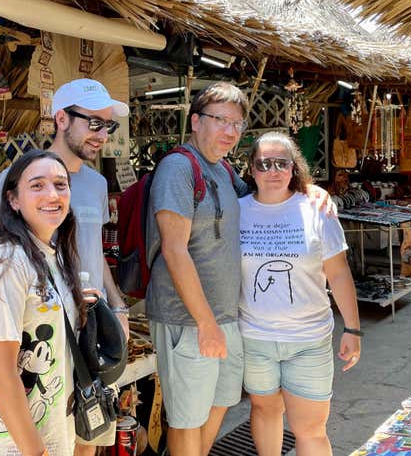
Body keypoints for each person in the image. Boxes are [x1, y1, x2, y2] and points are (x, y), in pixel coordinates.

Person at [0, 78, 129, 455]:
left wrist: (114, 306)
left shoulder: (98, 184)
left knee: (81, 436)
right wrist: (3, 336)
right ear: (62, 119)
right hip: (36, 347)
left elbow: (91, 254)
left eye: (109, 126)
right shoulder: (16, 181)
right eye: (95, 123)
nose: (103, 135)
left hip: (82, 337)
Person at [0, 149, 86, 456]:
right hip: (4, 445)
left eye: (60, 185)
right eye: (37, 185)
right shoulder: (4, 263)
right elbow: (0, 373)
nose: (52, 194)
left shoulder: (53, 254)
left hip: (45, 432)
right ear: (13, 200)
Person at [144, 82, 252, 456]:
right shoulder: (178, 167)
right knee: (187, 420)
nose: (230, 131)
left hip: (225, 316)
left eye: (237, 124)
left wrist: (309, 191)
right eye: (220, 120)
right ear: (195, 121)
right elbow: (174, 249)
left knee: (219, 403)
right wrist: (205, 322)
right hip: (188, 319)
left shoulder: (222, 169)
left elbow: (261, 197)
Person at [239, 131, 361, 456]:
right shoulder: (236, 212)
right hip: (254, 338)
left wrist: (352, 327)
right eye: (264, 164)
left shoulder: (316, 208)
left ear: (294, 168)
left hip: (308, 340)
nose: (273, 171)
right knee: (264, 411)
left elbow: (338, 272)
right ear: (251, 169)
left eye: (282, 163)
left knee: (310, 430)